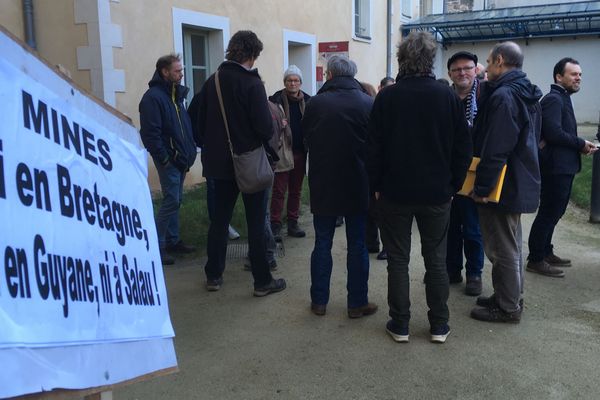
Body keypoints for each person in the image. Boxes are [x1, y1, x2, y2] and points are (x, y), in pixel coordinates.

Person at [368, 31, 472, 343]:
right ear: (431, 60)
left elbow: (372, 148)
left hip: (395, 193)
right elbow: (463, 149)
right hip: (437, 193)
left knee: (398, 261)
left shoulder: (387, 97)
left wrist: (376, 185)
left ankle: (400, 324)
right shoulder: (447, 97)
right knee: (436, 260)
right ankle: (439, 325)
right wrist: (452, 184)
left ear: (402, 60)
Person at [190, 30, 286, 296]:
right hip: (249, 163)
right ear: (253, 54)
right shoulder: (252, 84)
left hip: (217, 163)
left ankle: (213, 275)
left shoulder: (213, 82)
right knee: (256, 223)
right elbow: (265, 127)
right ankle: (262, 281)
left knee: (219, 221)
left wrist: (210, 145)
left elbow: (196, 121)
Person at [469, 42, 543, 323]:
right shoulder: (526, 92)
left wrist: (483, 187)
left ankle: (508, 307)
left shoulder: (505, 97)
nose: (485, 68)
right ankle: (509, 295)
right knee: (511, 243)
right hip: (519, 179)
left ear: (500, 60)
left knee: (502, 248)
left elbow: (496, 147)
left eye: (488, 62)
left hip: (504, 184)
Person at [303, 55, 377, 318]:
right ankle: (357, 303)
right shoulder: (367, 102)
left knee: (322, 241)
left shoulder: (314, 104)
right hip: (358, 180)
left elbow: (306, 137)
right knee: (357, 243)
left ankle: (319, 301)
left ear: (330, 75)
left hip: (324, 180)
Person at [526, 58, 597, 277]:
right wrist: (581, 144)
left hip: (563, 166)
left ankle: (546, 251)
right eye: (574, 74)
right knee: (549, 212)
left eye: (580, 75)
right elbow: (554, 132)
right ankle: (536, 258)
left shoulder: (562, 98)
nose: (579, 78)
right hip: (555, 167)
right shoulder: (554, 99)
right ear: (559, 76)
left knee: (556, 211)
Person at [139, 54, 197, 266]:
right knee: (171, 200)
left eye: (181, 70)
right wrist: (164, 158)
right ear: (165, 72)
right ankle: (157, 244)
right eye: (177, 71)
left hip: (181, 158)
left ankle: (173, 240)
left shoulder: (176, 96)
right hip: (169, 161)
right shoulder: (153, 98)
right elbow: (150, 134)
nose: (181, 74)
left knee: (177, 200)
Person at [445, 51, 485, 296]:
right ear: (450, 74)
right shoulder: (444, 98)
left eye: (467, 68)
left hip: (474, 172)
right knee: (450, 226)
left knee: (472, 227)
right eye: (457, 69)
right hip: (448, 173)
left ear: (476, 70)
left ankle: (474, 274)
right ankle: (452, 270)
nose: (462, 73)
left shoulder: (486, 97)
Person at [269, 65, 311, 239]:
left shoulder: (308, 100)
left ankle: (293, 222)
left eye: (295, 80)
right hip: (282, 151)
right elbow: (267, 123)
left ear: (300, 82)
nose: (292, 83)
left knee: (296, 190)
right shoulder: (275, 100)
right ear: (284, 82)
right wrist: (279, 124)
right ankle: (275, 224)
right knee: (279, 190)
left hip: (300, 151)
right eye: (289, 80)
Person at [366, 77, 395, 261]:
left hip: (385, 165)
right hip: (371, 162)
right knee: (370, 208)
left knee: (383, 210)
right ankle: (372, 242)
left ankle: (386, 245)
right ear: (380, 88)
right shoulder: (374, 104)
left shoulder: (394, 107)